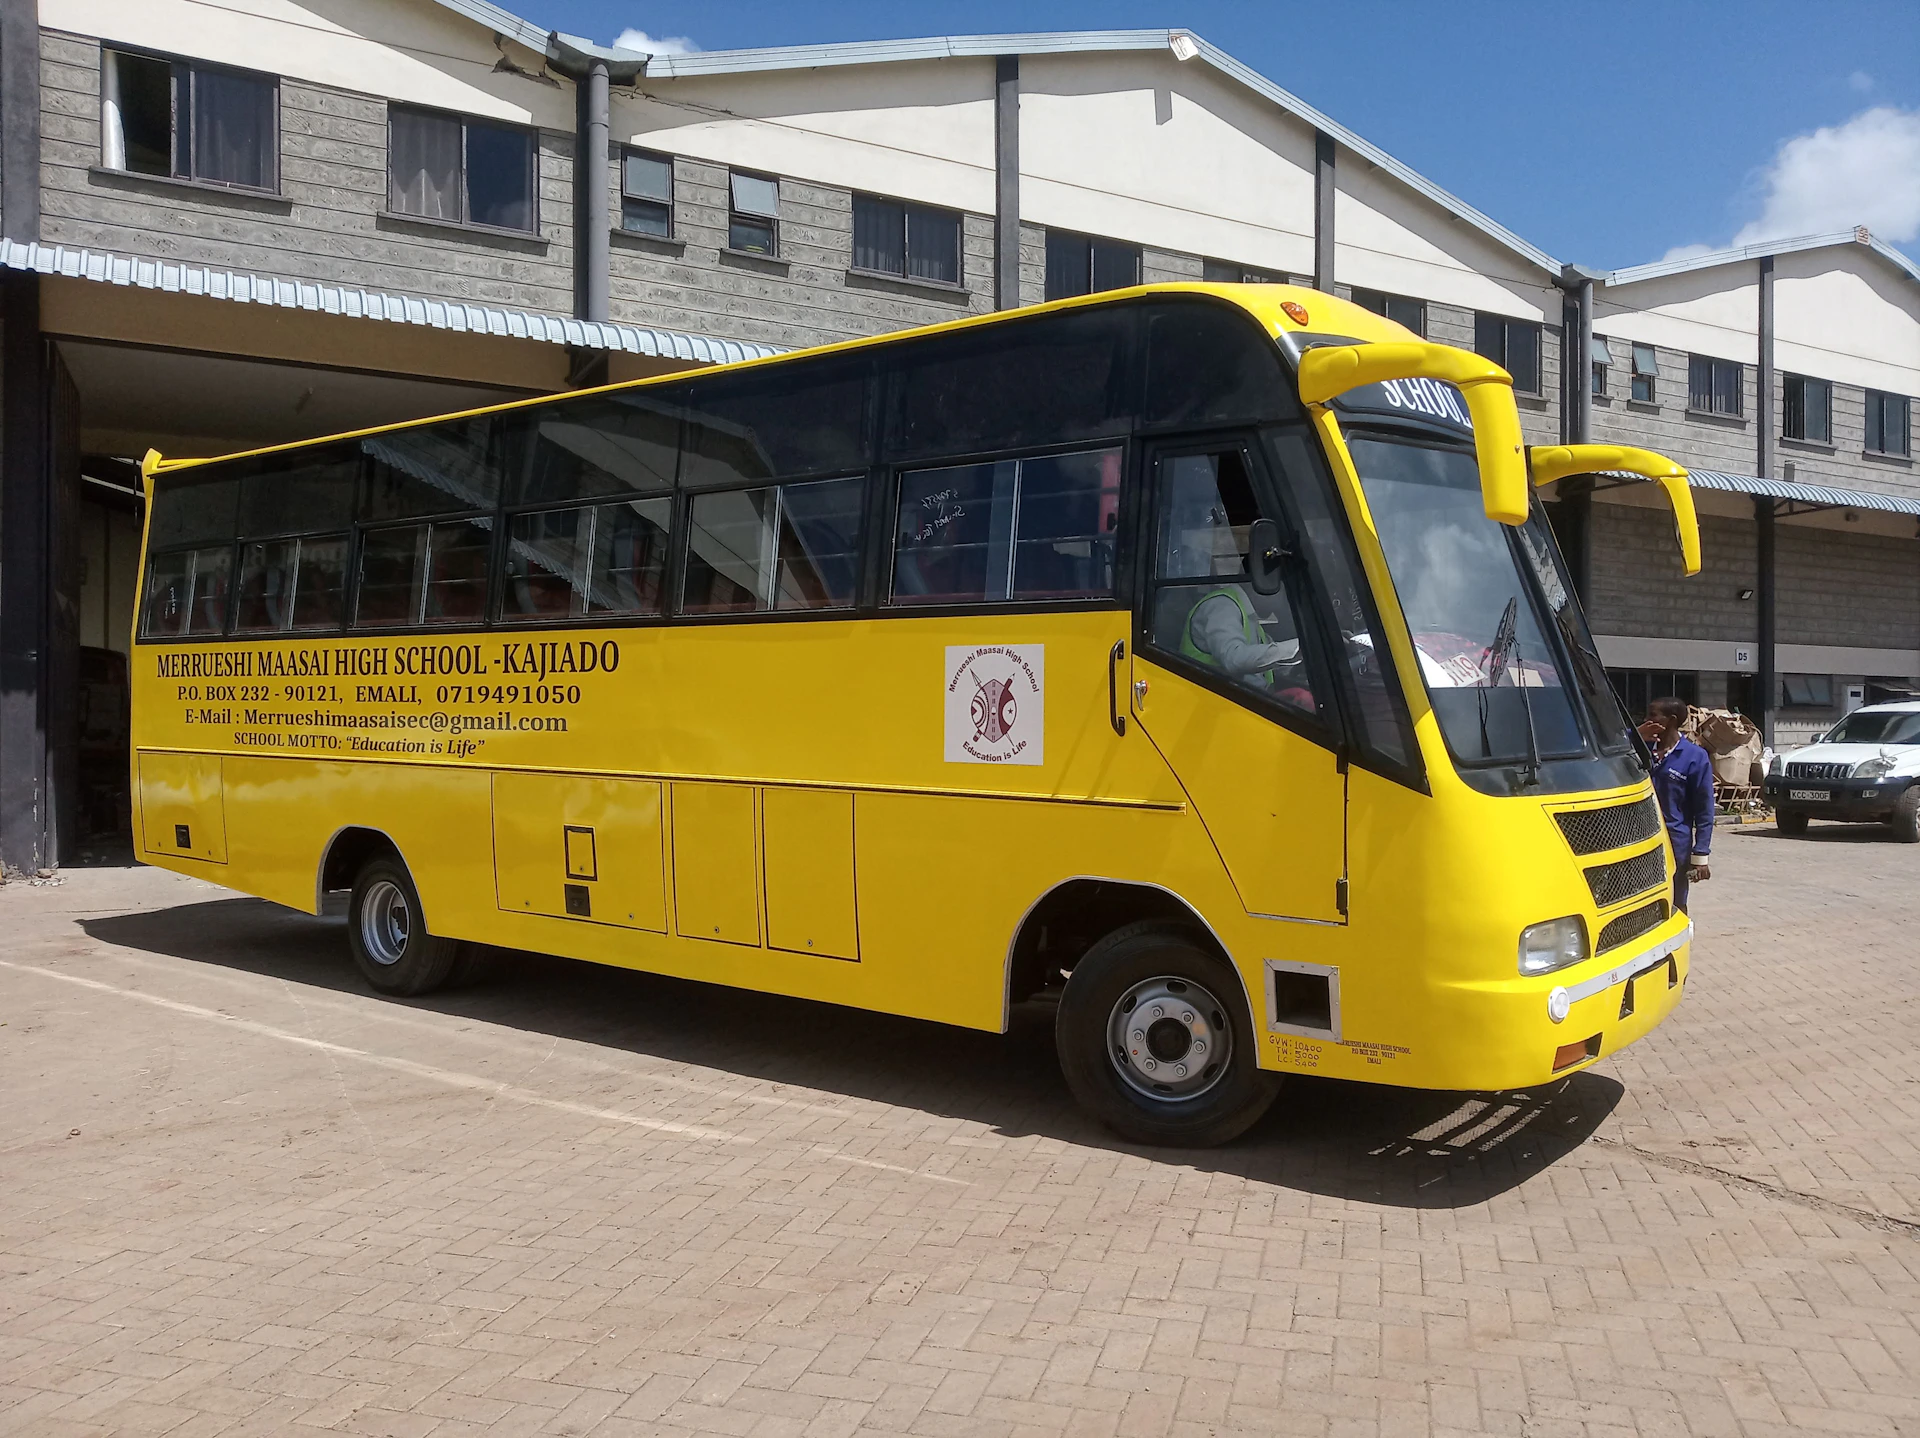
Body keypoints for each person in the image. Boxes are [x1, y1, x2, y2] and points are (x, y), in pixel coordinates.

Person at [1639, 696, 1714, 913]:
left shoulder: (1694, 757)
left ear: (1670, 721)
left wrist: (1700, 855)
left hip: (1675, 842)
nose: (1647, 719)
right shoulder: (1639, 748)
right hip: (1640, 838)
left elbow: (1704, 809)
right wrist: (1635, 735)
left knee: (1675, 899)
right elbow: (1606, 744)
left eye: (1653, 715)